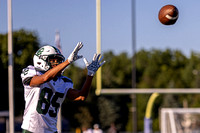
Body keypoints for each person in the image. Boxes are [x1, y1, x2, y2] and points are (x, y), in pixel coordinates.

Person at [20, 42, 105, 133]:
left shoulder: (63, 81)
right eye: (53, 60)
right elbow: (45, 78)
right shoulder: (32, 72)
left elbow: (81, 96)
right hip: (31, 129)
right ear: (41, 60)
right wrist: (68, 61)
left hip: (51, 130)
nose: (57, 63)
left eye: (58, 60)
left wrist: (90, 75)